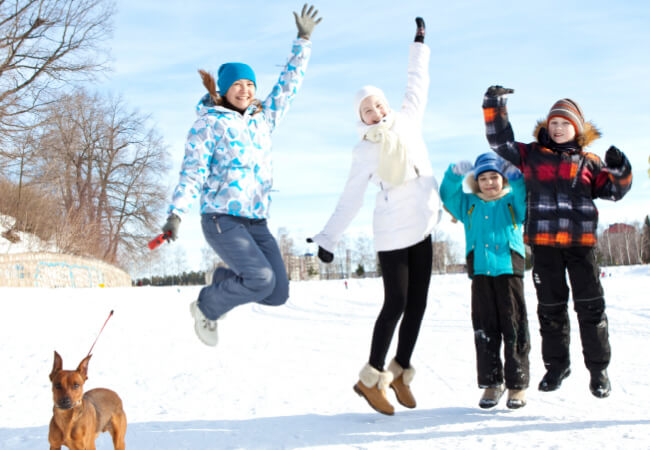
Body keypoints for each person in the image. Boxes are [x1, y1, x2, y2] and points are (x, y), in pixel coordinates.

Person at [161, 4, 322, 347]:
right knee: (260, 278)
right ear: (222, 88)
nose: (246, 90)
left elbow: (289, 86)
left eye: (250, 84)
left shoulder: (262, 119)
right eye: (237, 84)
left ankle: (225, 279)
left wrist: (303, 41)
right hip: (222, 218)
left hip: (257, 221)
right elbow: (193, 171)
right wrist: (175, 213)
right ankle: (206, 306)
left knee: (277, 292)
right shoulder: (209, 123)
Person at [308, 17, 440, 416]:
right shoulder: (364, 150)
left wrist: (419, 43)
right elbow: (350, 199)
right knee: (396, 303)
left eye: (378, 103)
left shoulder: (408, 119)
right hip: (392, 232)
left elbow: (418, 82)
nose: (376, 110)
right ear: (360, 118)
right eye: (367, 109)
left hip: (424, 222)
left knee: (418, 303)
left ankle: (400, 373)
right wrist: (328, 240)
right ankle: (371, 379)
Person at [483, 86, 633, 398]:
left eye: (565, 123)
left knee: (590, 309)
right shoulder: (531, 155)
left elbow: (616, 192)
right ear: (546, 127)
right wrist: (494, 105)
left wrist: (620, 169)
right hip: (544, 245)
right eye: (553, 123)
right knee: (550, 309)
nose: (558, 128)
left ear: (576, 128)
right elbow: (500, 141)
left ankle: (598, 369)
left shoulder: (589, 161)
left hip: (581, 246)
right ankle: (556, 366)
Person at [440, 153, 530, 409]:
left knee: (514, 328)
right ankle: (492, 384)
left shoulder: (513, 200)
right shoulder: (468, 204)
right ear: (476, 182)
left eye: (494, 177)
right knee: (485, 329)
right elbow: (448, 194)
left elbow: (525, 195)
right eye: (483, 178)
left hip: (509, 271)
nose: (489, 183)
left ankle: (517, 385)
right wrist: (453, 173)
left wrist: (517, 177)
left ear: (503, 179)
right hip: (480, 272)